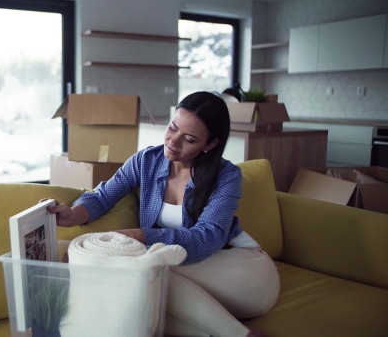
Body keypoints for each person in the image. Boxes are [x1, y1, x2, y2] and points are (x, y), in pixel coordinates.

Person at [45, 91, 280, 337]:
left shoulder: (226, 176)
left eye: (189, 139)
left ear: (210, 144)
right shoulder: (146, 161)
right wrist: (73, 214)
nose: (173, 142)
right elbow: (103, 196)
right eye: (172, 128)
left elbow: (207, 238)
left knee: (148, 268)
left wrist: (141, 235)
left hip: (245, 272)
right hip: (189, 279)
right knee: (143, 298)